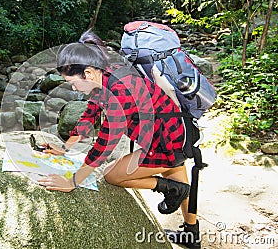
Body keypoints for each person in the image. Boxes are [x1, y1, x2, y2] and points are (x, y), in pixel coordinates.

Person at [38, 30, 201, 248]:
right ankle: (192, 235)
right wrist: (66, 148)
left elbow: (105, 144)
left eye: (74, 83)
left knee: (111, 175)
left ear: (87, 73)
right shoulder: (105, 74)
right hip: (172, 131)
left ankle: (168, 188)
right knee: (178, 175)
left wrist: (72, 181)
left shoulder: (120, 91)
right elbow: (90, 114)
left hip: (166, 141)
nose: (74, 89)